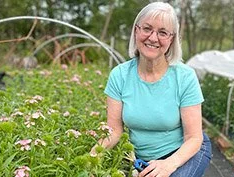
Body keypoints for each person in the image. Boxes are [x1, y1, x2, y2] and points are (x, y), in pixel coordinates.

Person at [91, 2, 212, 177]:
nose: (153, 38)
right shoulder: (120, 75)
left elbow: (193, 138)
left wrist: (169, 165)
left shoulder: (185, 77)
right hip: (141, 156)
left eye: (162, 32)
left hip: (184, 152)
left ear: (171, 39)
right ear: (136, 31)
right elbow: (115, 131)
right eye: (147, 29)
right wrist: (91, 157)